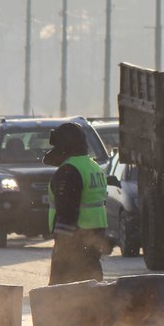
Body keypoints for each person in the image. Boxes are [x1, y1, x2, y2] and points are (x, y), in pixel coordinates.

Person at [44, 122, 110, 286]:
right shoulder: (93, 167)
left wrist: (62, 245)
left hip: (75, 238)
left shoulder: (69, 171)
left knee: (62, 289)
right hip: (94, 236)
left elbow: (67, 211)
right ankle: (94, 310)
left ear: (66, 145)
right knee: (91, 283)